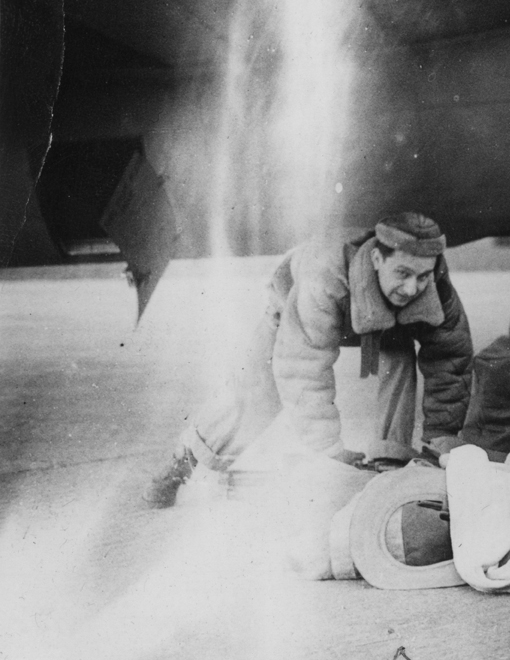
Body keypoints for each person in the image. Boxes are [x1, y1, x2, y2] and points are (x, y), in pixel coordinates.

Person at [143, 212, 474, 508]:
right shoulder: (324, 275)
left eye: (422, 277)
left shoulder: (432, 284)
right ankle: (182, 463)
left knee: (399, 357)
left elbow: (451, 364)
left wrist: (439, 444)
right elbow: (303, 370)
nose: (412, 287)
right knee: (257, 390)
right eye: (403, 273)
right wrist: (328, 452)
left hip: (375, 314)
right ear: (376, 258)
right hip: (294, 306)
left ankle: (391, 468)